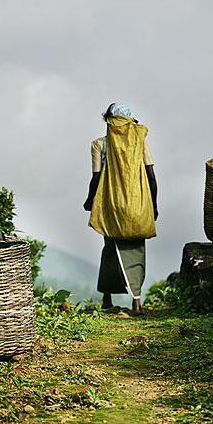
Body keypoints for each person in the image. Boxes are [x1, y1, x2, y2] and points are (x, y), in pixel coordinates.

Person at [83, 102, 158, 315]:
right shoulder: (140, 142)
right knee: (137, 251)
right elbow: (151, 176)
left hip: (112, 206)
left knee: (110, 249)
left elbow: (96, 178)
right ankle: (136, 302)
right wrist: (154, 205)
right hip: (139, 205)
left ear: (109, 121)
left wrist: (89, 201)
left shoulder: (100, 144)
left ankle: (107, 299)